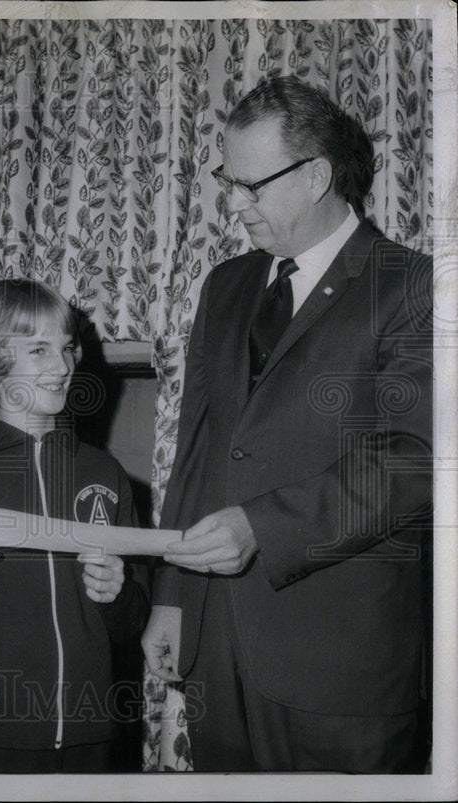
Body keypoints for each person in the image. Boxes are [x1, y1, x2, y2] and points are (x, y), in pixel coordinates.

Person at [141, 76, 432, 772]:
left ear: (317, 177)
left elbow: (416, 459)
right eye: (227, 180)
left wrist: (262, 526)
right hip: (220, 650)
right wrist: (174, 600)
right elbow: (200, 447)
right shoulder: (227, 284)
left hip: (341, 665)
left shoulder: (413, 285)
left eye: (252, 185)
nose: (233, 203)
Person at [0, 279, 150, 773]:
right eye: (39, 350)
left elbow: (132, 625)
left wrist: (119, 595)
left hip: (91, 734)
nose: (62, 366)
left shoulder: (104, 473)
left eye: (66, 348)